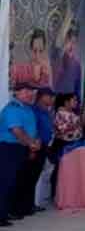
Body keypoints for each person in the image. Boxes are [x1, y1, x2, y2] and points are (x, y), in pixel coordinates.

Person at [0, 85, 40, 227]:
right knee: (6, 181)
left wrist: (34, 144)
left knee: (16, 181)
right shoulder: (11, 109)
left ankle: (9, 211)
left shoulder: (28, 109)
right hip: (9, 148)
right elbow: (17, 131)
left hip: (22, 148)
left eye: (31, 91)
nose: (31, 94)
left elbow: (31, 130)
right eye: (26, 91)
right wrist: (31, 144)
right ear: (16, 93)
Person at [14, 88, 53, 217]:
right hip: (34, 146)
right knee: (28, 177)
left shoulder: (46, 111)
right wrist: (32, 147)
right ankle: (22, 207)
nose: (51, 99)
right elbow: (31, 130)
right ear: (41, 97)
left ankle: (29, 205)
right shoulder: (34, 110)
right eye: (49, 96)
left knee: (34, 177)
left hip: (44, 145)